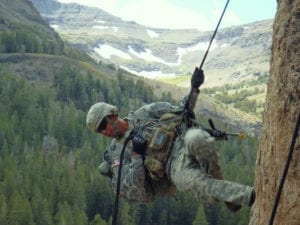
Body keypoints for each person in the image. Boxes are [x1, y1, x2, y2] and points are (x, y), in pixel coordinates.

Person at [86, 68, 255, 212]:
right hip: (171, 168)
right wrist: (137, 155)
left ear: (112, 115)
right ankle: (252, 196)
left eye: (103, 125)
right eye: (99, 131)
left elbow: (181, 111)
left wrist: (194, 89)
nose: (104, 132)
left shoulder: (145, 113)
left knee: (199, 138)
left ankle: (227, 194)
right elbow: (134, 184)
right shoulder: (116, 152)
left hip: (182, 143)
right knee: (194, 182)